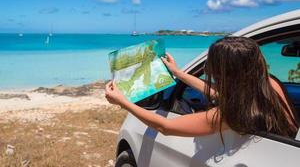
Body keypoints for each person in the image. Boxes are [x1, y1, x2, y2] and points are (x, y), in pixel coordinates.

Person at [105, 37, 299, 138]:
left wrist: (122, 101)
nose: (208, 69)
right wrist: (179, 73)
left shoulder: (231, 115)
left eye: (211, 64)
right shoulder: (269, 85)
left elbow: (164, 126)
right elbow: (221, 93)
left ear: (226, 73)